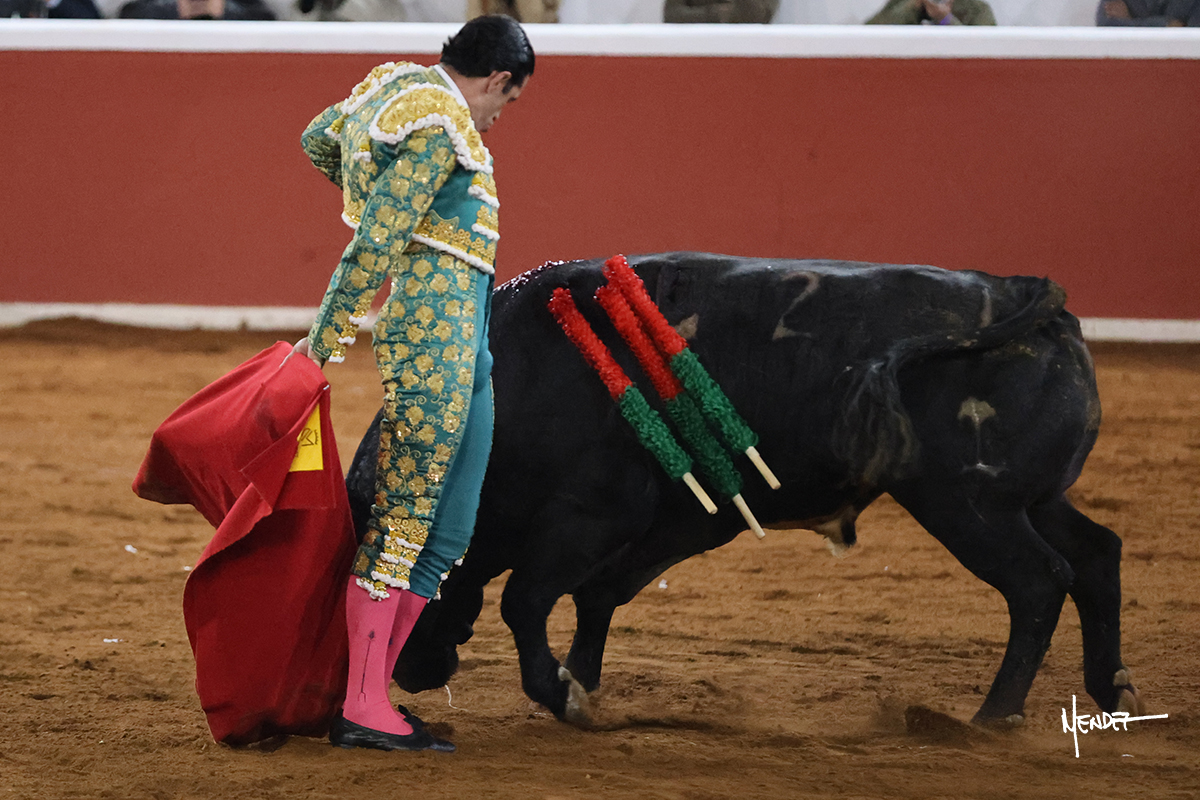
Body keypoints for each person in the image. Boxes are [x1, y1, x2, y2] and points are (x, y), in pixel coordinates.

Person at [291, 14, 534, 753]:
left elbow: (319, 138)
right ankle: (361, 705)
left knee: (451, 524)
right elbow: (376, 241)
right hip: (431, 329)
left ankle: (372, 692)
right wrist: (324, 338)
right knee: (406, 515)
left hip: (467, 335)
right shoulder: (437, 122)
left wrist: (371, 187)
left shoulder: (396, 87)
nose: (498, 118)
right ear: (497, 80)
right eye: (507, 102)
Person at [865, 0, 996, 25]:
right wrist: (913, 8)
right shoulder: (903, 3)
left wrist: (946, 20)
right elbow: (869, 33)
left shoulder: (977, 9)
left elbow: (988, 47)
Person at [1096, 0, 1200, 25]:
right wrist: (1164, 25)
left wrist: (1129, 21)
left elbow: (1193, 41)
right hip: (1129, 68)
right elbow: (1106, 23)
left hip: (1179, 71)